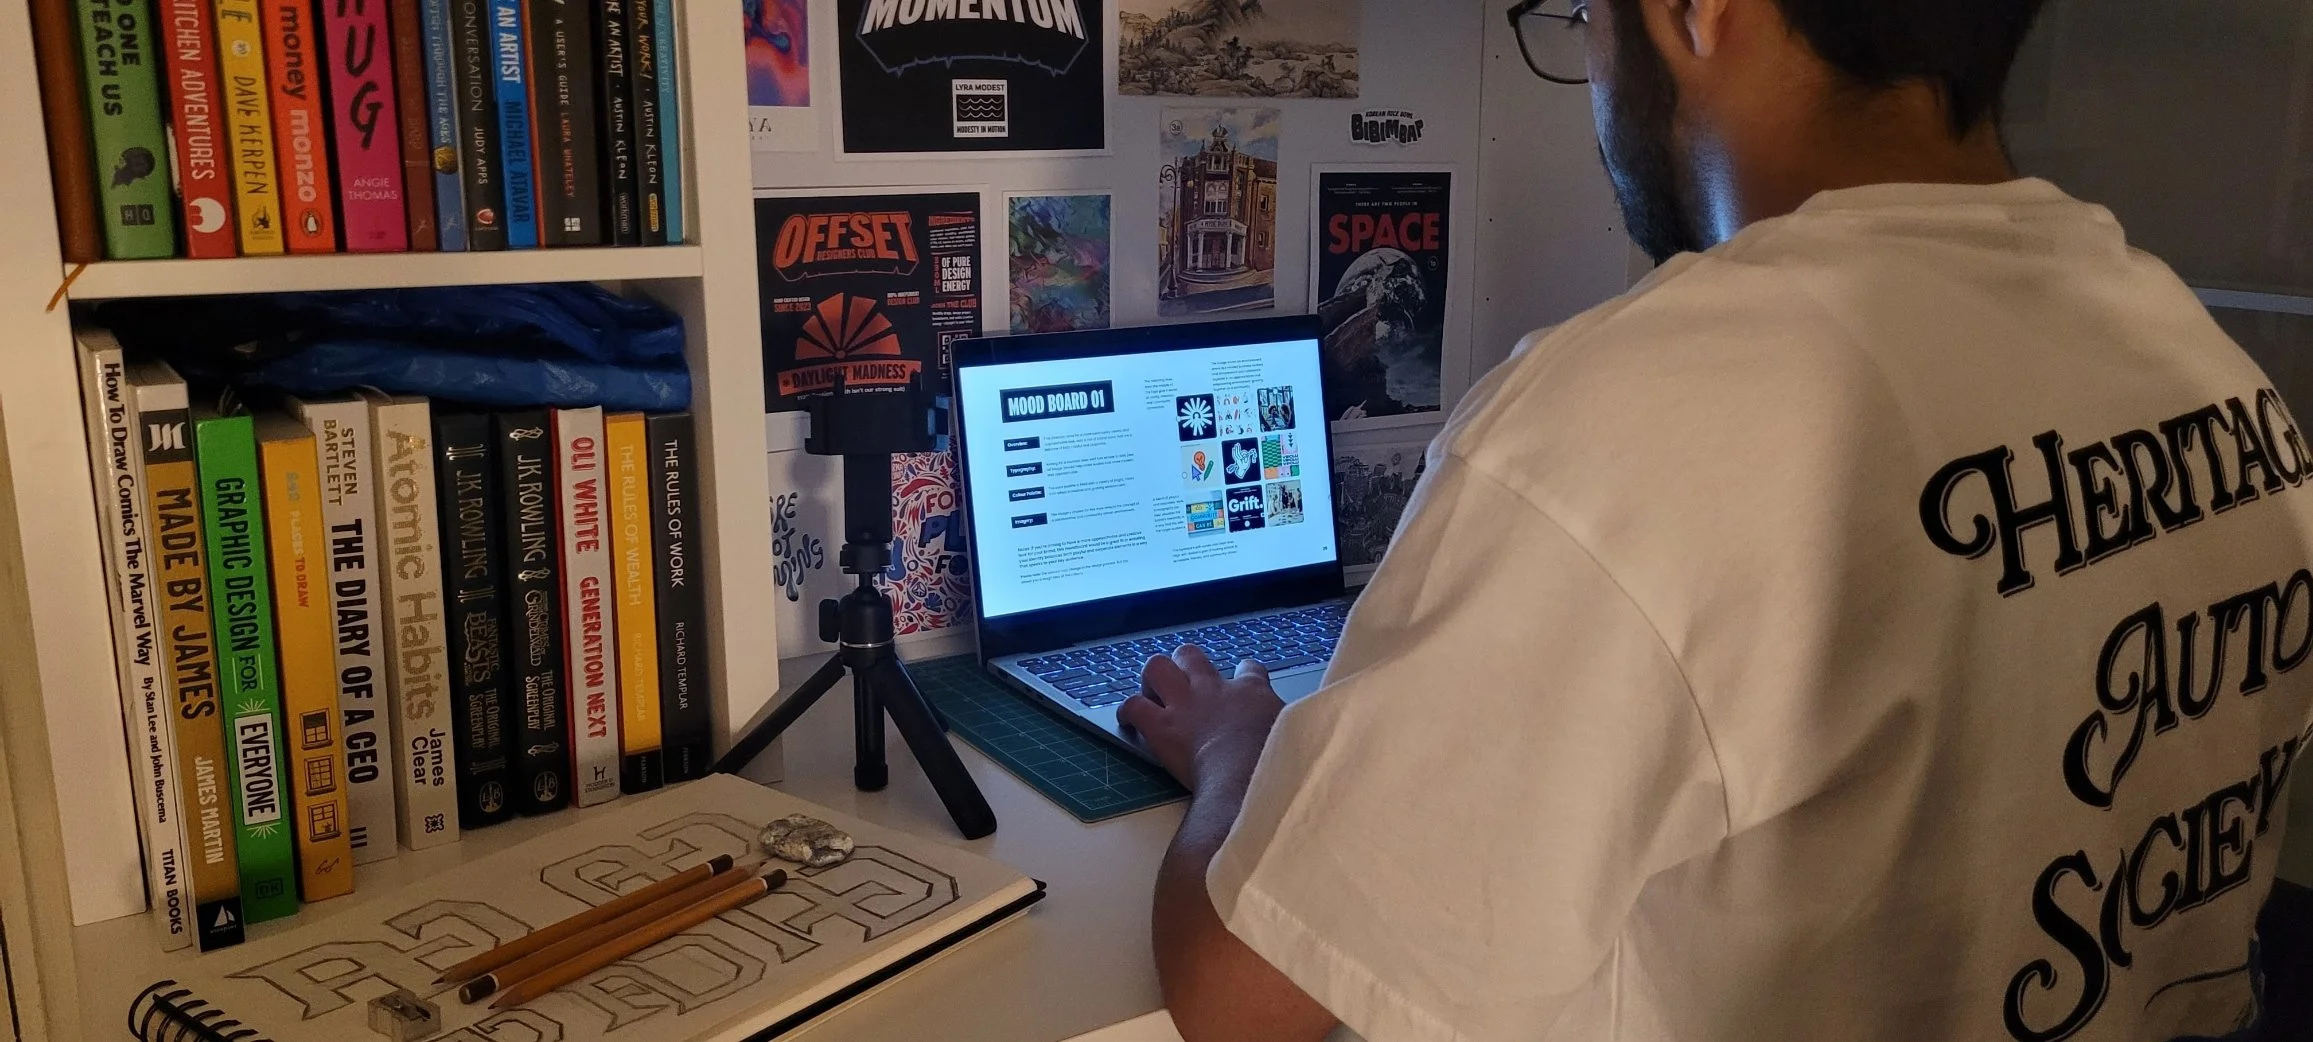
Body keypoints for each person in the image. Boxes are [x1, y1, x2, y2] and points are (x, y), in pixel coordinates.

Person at [1118, 0, 2313, 1039]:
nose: (1592, 71)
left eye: (1585, 16)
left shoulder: (1637, 416)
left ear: (1697, 8)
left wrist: (1236, 749)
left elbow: (1241, 998)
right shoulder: (2206, 367)